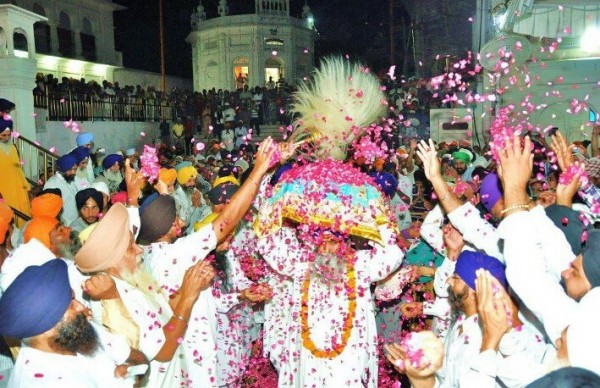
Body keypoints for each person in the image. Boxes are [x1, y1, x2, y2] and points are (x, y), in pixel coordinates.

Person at [133, 138, 275, 386]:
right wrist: (259, 169)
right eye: (175, 218)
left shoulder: (144, 253)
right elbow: (226, 222)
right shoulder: (176, 254)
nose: (181, 222)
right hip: (189, 352)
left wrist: (158, 194)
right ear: (168, 227)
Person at [0, 260, 148, 387]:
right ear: (46, 327)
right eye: (70, 304)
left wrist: (130, 371)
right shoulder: (40, 383)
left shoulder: (79, 330)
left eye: (73, 298)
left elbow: (139, 358)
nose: (81, 307)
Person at [0, 115, 31, 226]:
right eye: (3, 135)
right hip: (3, 188)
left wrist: (26, 185)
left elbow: (18, 168)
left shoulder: (12, 148)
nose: (6, 138)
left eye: (8, 135)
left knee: (22, 213)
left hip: (17, 185)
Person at [44, 154, 79, 226]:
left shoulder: (71, 179)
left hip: (76, 222)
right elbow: (50, 211)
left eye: (75, 169)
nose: (74, 172)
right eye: (70, 170)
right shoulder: (52, 184)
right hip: (64, 225)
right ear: (62, 170)